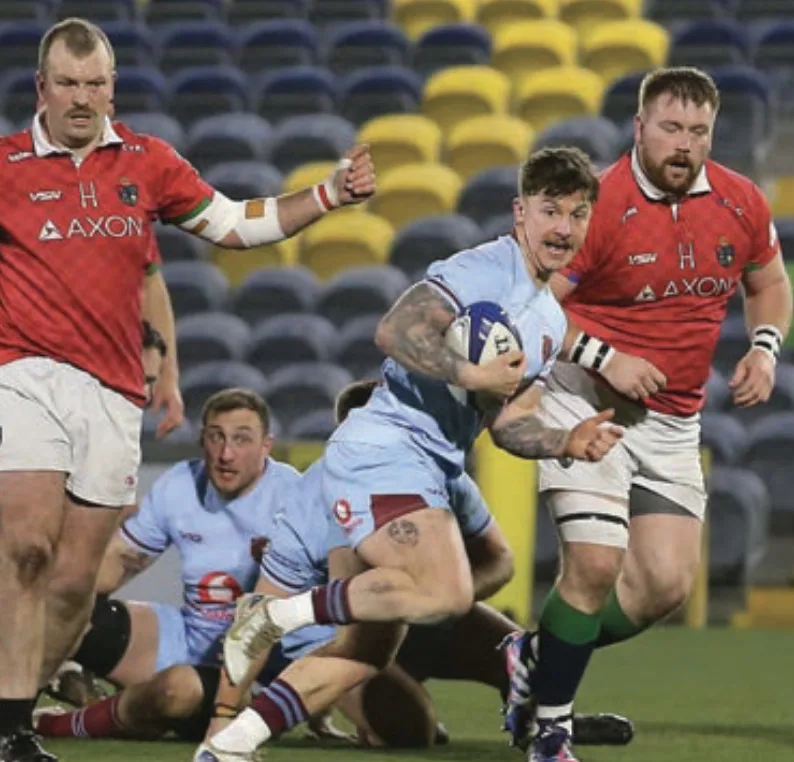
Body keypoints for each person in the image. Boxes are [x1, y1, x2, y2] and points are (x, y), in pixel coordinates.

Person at [0, 16, 375, 761]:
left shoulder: (148, 161)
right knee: (28, 549)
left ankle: (16, 703)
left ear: (113, 88)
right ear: (41, 88)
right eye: (68, 84)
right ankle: (9, 730)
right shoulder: (5, 166)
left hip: (112, 393)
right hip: (23, 375)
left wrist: (328, 194)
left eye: (95, 84)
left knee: (74, 584)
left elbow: (235, 224)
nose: (82, 98)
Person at [196, 147, 624, 762]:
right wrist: (468, 373)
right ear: (520, 212)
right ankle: (275, 617)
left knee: (363, 653)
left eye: (577, 214)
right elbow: (396, 330)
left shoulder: (551, 322)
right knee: (447, 593)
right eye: (550, 210)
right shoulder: (482, 269)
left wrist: (565, 442)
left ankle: (228, 747)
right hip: (387, 446)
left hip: (430, 464)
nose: (563, 227)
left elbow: (508, 424)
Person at [500, 66, 792, 762]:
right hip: (583, 401)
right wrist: (606, 357)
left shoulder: (742, 201)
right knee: (596, 565)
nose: (683, 143)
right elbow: (532, 307)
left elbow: (769, 283)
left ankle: (531, 657)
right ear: (639, 128)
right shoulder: (597, 205)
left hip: (673, 422)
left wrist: (764, 348)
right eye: (670, 127)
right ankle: (551, 733)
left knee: (664, 585)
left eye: (698, 131)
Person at [36, 387, 303, 742]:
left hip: (261, 670)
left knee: (178, 690)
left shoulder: (295, 498)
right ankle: (32, 704)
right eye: (216, 437)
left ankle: (64, 724)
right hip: (188, 641)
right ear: (202, 439)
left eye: (241, 439)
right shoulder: (180, 484)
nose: (226, 454)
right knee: (58, 609)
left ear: (266, 445)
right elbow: (113, 567)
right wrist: (50, 608)